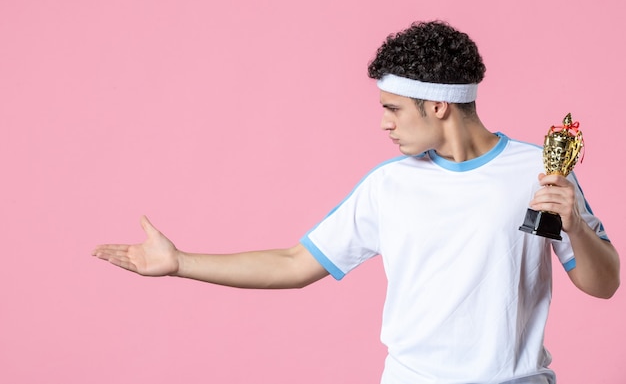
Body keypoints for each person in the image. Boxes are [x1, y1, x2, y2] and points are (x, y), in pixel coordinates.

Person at [92, 21, 620, 384]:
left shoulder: (538, 173)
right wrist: (180, 263)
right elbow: (295, 263)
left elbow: (602, 284)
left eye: (392, 108)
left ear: (438, 105)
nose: (384, 123)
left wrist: (575, 228)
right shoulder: (389, 187)